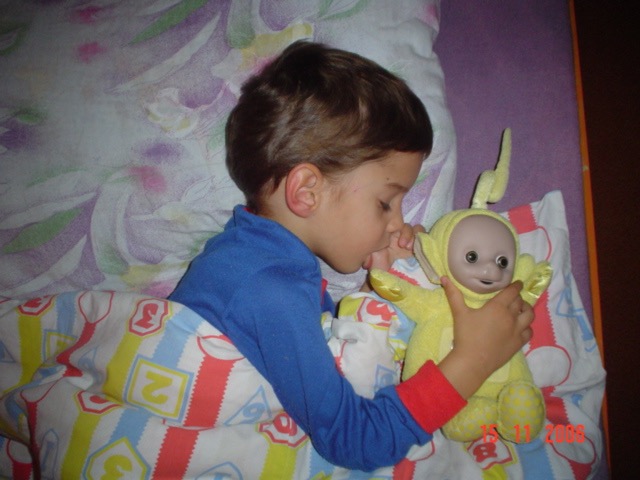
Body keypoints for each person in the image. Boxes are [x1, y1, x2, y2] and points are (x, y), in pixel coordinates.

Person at [169, 40, 534, 471]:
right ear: (308, 191)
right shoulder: (267, 289)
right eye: (386, 203)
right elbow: (353, 438)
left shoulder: (257, 263)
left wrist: (377, 289)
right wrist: (474, 360)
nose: (399, 223)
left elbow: (325, 362)